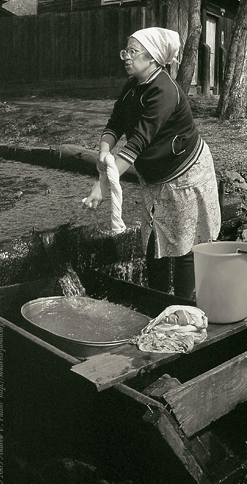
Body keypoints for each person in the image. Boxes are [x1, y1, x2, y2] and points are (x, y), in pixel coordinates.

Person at [83, 27, 221, 299]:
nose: (126, 57)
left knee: (184, 243)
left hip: (185, 174)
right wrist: (103, 151)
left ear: (154, 59)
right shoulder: (132, 86)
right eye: (126, 51)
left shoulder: (164, 91)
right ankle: (155, 299)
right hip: (156, 175)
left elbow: (137, 143)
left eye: (133, 52)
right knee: (154, 237)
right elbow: (116, 124)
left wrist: (102, 186)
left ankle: (184, 305)